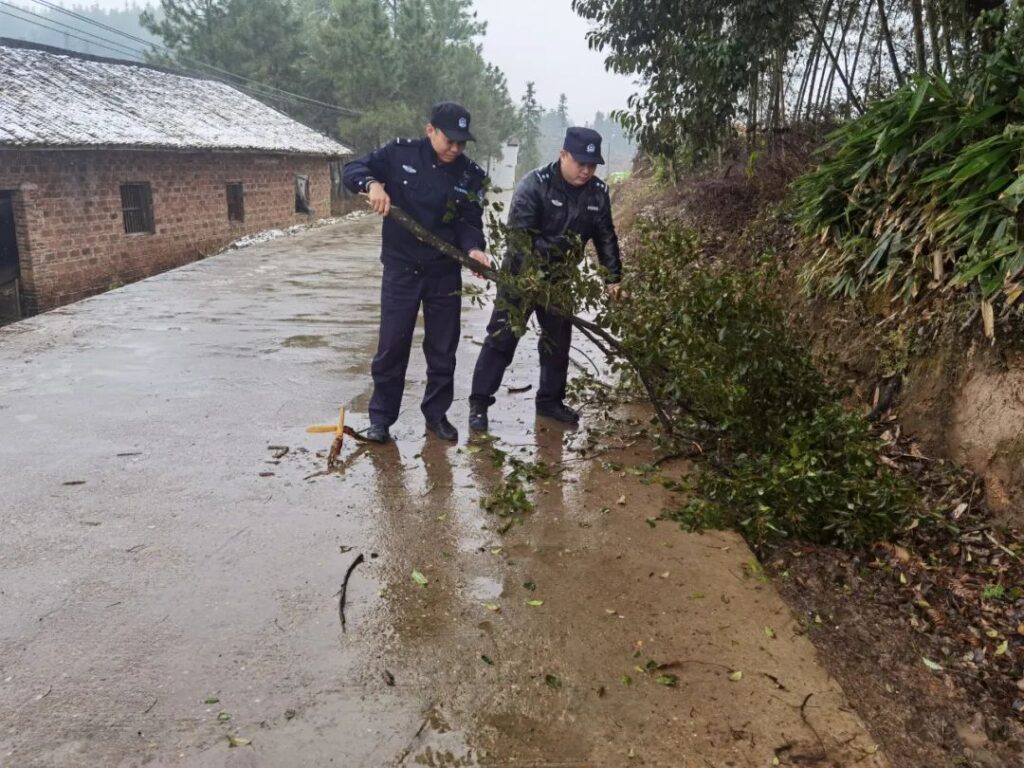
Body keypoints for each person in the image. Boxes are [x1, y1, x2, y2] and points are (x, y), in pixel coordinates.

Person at [343, 102, 491, 444]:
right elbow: (353, 168)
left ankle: (436, 416)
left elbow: (470, 221)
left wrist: (474, 250)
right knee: (392, 345)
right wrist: (371, 184)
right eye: (449, 140)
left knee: (442, 349)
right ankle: (380, 419)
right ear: (430, 131)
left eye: (462, 143)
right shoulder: (398, 154)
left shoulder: (470, 174)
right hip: (401, 268)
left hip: (443, 272)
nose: (456, 148)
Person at [468, 127, 622, 433]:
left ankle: (549, 402)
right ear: (563, 155)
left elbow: (606, 236)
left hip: (561, 279)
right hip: (520, 277)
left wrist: (613, 277)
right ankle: (479, 404)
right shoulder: (535, 185)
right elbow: (519, 238)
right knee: (502, 339)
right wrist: (532, 282)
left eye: (592, 165)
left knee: (557, 344)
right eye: (580, 163)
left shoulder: (598, 193)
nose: (586, 170)